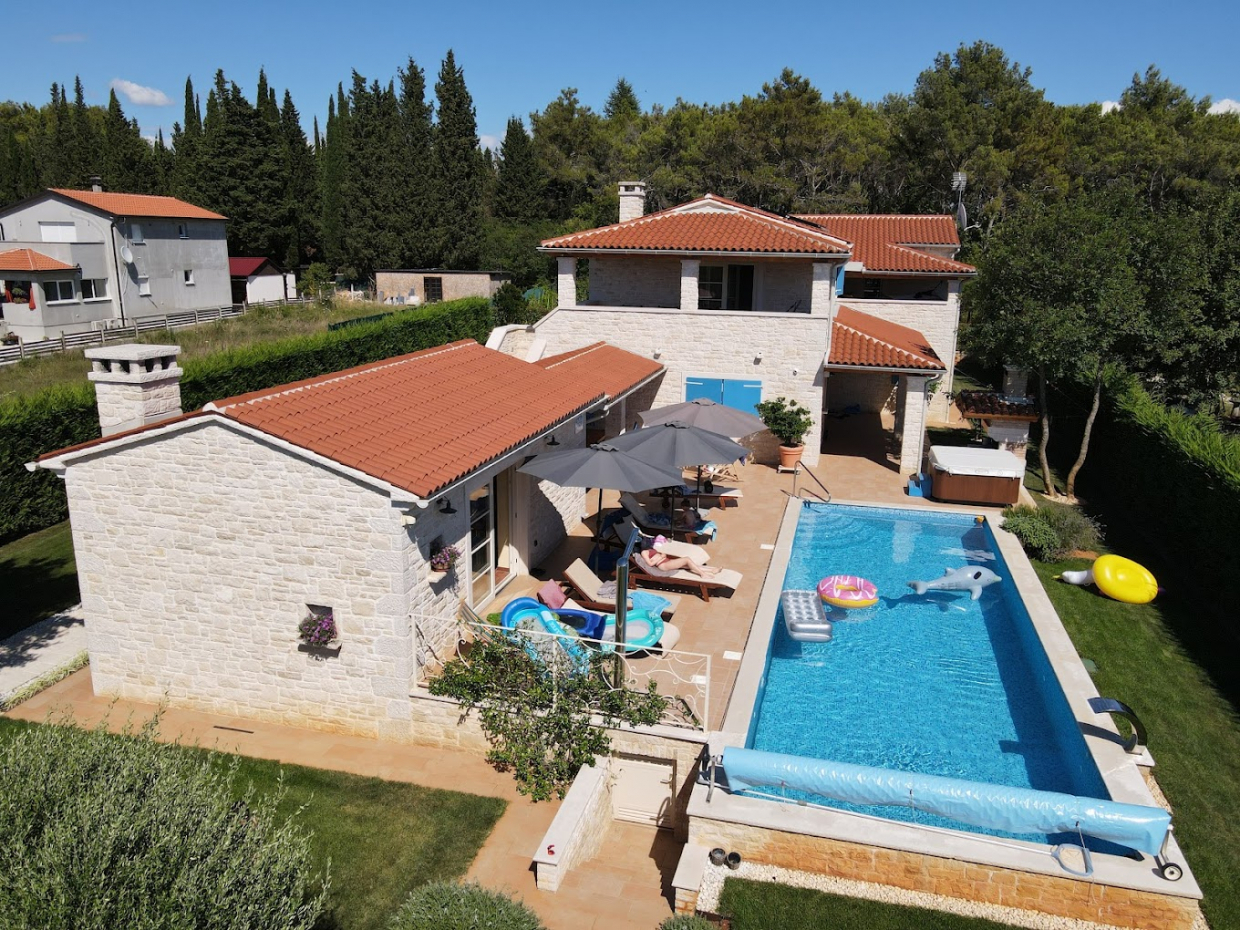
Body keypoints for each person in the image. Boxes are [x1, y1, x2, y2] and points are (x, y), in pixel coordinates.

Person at [640, 538, 720, 578]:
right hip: (662, 564)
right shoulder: (644, 552)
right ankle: (703, 574)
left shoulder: (651, 549)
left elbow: (659, 555)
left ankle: (711, 570)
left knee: (689, 565)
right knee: (686, 560)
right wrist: (660, 557)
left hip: (666, 561)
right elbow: (650, 564)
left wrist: (662, 555)